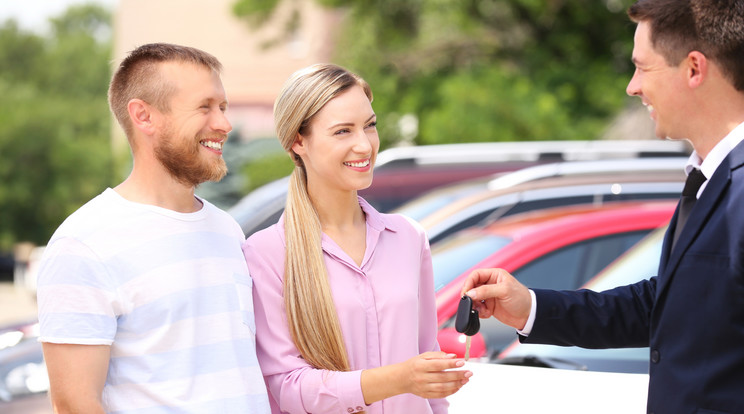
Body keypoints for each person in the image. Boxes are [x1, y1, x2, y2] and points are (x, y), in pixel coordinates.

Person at [461, 0, 744, 413]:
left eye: (643, 67)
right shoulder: (709, 177)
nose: (632, 86)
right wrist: (531, 308)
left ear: (694, 69)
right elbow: (662, 305)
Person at [36, 43, 270, 413]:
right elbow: (75, 404)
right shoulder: (83, 243)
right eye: (205, 107)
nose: (224, 124)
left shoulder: (227, 230)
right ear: (144, 116)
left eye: (222, 107)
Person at [242, 63, 471, 414]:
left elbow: (429, 367)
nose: (364, 145)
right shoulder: (267, 253)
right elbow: (287, 387)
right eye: (342, 131)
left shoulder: (408, 238)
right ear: (297, 141)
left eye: (370, 125)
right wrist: (399, 379)